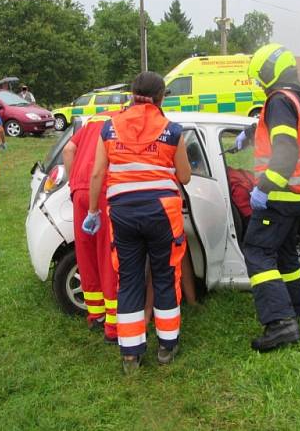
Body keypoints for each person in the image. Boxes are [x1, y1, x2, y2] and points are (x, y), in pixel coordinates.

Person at [83, 71, 191, 374]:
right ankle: (167, 348)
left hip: (122, 211)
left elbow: (96, 174)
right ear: (161, 97)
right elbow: (184, 177)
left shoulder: (109, 128)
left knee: (128, 279)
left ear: (131, 94)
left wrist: (93, 212)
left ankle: (130, 355)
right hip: (162, 213)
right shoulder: (172, 130)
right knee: (165, 275)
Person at [235, 43, 300, 352]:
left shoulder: (279, 101)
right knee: (285, 256)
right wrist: (251, 133)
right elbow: (283, 136)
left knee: (256, 251)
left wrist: (264, 187)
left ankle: (280, 324)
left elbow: (285, 149)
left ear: (269, 72)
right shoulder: (296, 100)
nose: (260, 83)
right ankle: (296, 310)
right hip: (297, 195)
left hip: (279, 195)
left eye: (260, 76)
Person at [63, 110, 120, 344]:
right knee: (108, 256)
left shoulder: (93, 119)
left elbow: (68, 150)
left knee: (86, 254)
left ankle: (95, 313)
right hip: (103, 187)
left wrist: (73, 182)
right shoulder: (122, 121)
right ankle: (113, 323)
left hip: (80, 190)